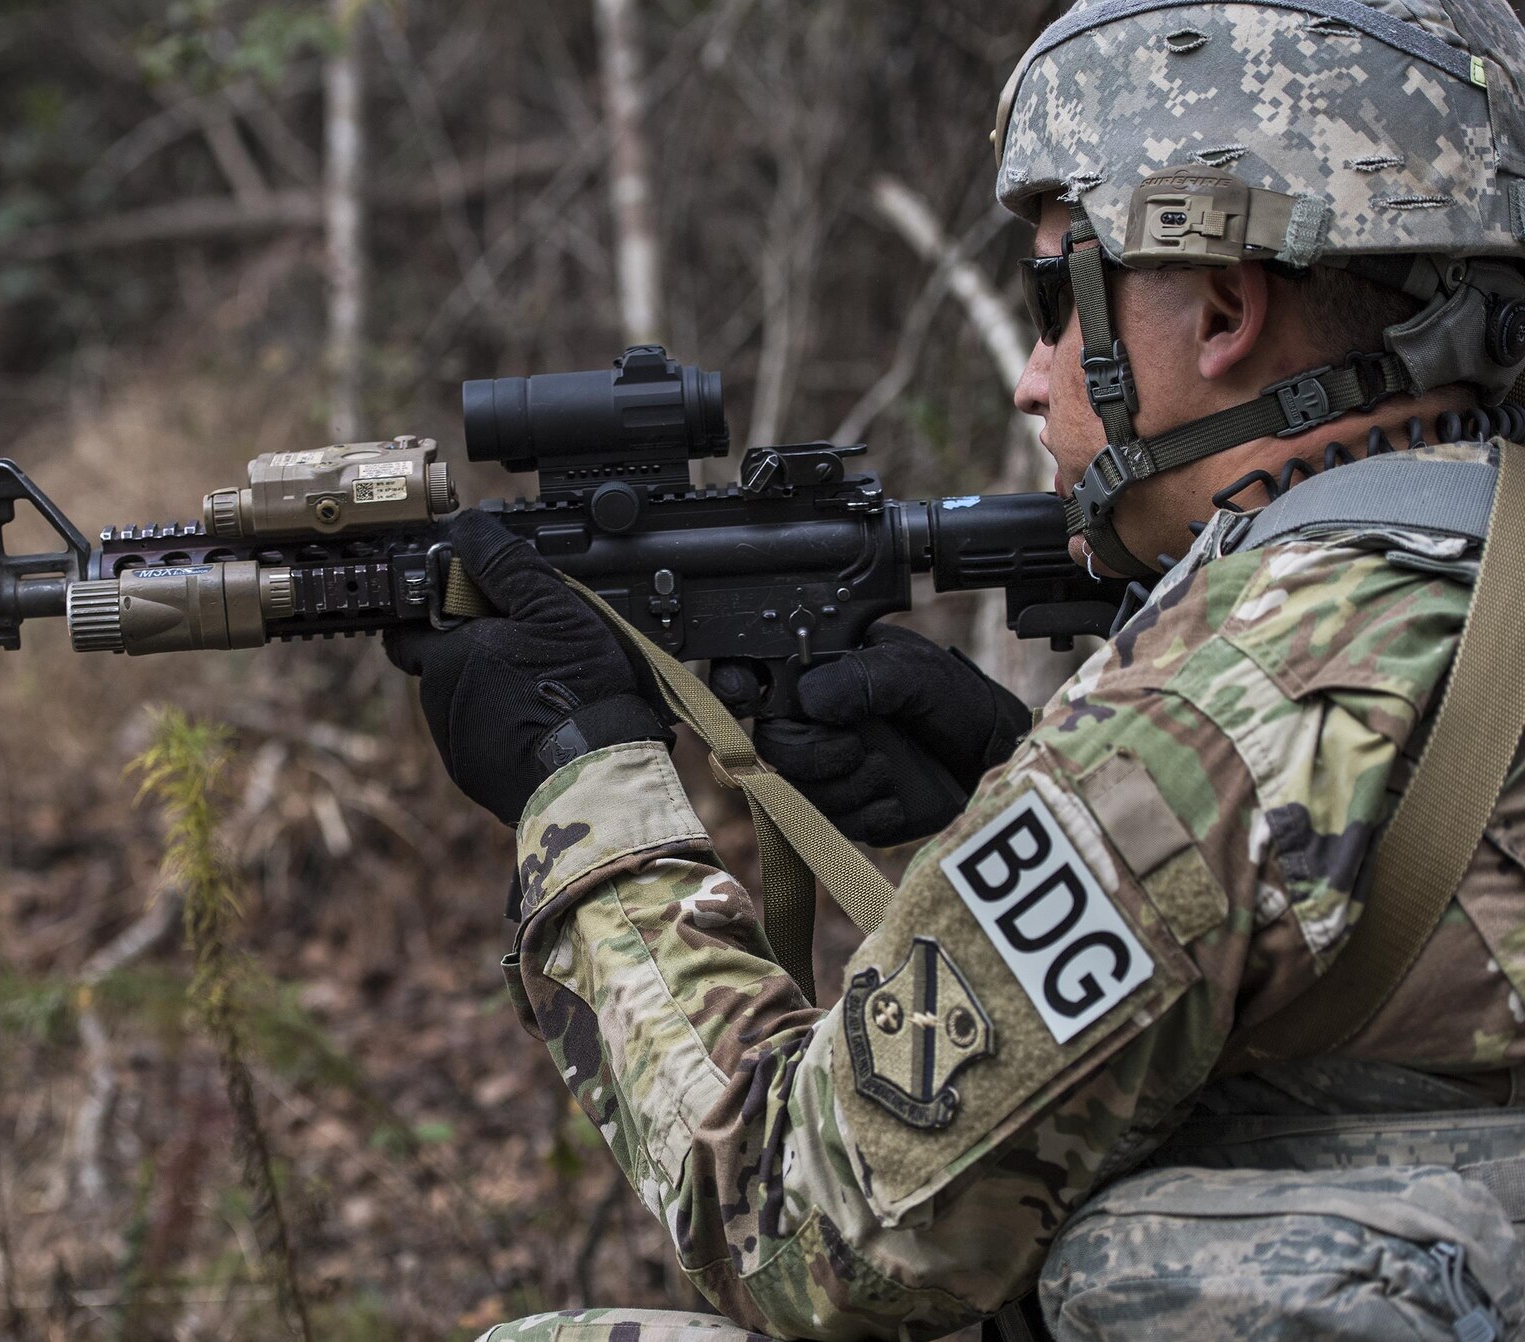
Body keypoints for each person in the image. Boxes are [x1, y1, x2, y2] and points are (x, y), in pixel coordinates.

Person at [386, 1, 1525, 1336]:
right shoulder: (1455, 584)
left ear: (1223, 306)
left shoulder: (1201, 722)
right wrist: (999, 792)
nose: (1034, 381)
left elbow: (804, 1222)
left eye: (1058, 297)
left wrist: (586, 800)